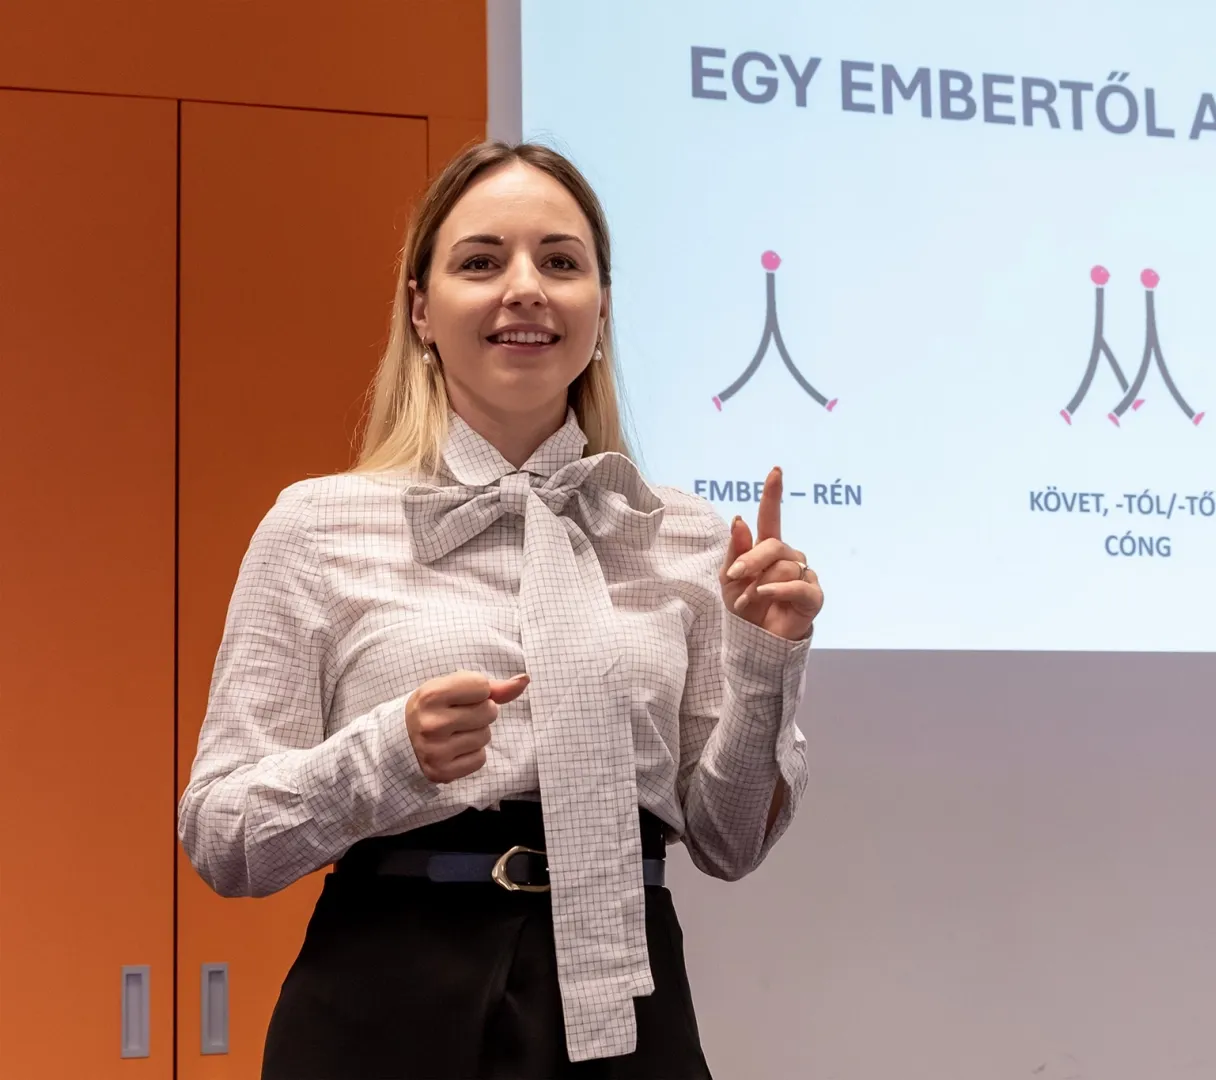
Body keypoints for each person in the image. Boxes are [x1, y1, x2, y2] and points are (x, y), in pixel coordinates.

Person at [176, 140, 822, 1079]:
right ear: (421, 311)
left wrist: (766, 659)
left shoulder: (683, 537)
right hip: (386, 1001)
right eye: (480, 262)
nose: (525, 288)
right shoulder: (316, 524)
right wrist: (386, 757)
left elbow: (727, 843)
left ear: (600, 310)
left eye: (561, 262)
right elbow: (222, 839)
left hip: (627, 1004)